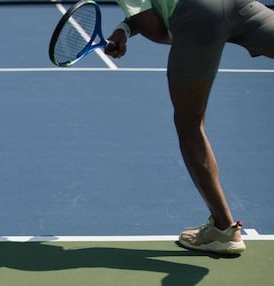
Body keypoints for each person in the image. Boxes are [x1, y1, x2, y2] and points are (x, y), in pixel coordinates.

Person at [104, 0, 274, 255]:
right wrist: (125, 29)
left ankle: (223, 228)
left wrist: (196, 34)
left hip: (198, 14)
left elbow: (158, 29)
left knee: (189, 123)